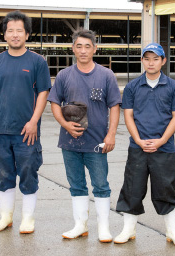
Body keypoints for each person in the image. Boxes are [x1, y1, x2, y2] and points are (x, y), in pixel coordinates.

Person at [47, 29, 121, 243]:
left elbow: (114, 106)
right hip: (70, 142)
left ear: (95, 49)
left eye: (87, 46)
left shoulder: (106, 75)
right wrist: (65, 124)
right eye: (78, 46)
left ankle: (104, 228)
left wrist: (111, 135)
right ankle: (81, 225)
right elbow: (53, 103)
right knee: (76, 184)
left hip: (97, 142)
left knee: (100, 184)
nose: (83, 50)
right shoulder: (64, 75)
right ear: (73, 49)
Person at [0, 10, 51, 234]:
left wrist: (33, 121)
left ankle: (28, 219)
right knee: (3, 174)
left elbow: (43, 93)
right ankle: (6, 217)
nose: (14, 35)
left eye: (19, 30)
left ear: (27, 34)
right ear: (4, 35)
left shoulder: (37, 62)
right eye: (10, 31)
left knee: (29, 173)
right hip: (0, 130)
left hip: (27, 131)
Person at [114, 43, 175, 248]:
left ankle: (172, 231)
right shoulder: (132, 87)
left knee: (165, 189)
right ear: (142, 61)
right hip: (138, 147)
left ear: (163, 61)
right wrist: (138, 140)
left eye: (155, 58)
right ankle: (128, 229)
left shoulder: (173, 87)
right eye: (147, 58)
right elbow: (127, 115)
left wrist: (162, 140)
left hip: (163, 148)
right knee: (132, 188)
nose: (151, 62)